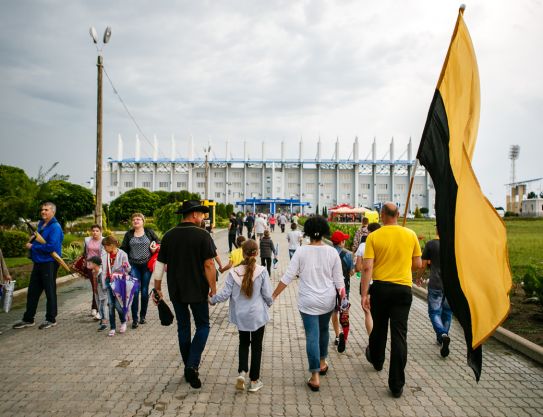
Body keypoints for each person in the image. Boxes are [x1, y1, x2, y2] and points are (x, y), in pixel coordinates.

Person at [272, 215, 344, 392]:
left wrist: (273, 295)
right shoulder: (332, 252)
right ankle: (322, 362)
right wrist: (344, 302)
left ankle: (315, 376)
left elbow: (288, 276)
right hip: (327, 301)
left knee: (312, 335)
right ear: (324, 232)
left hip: (308, 301)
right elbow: (339, 282)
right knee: (324, 330)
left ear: (308, 233)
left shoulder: (301, 251)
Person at [152, 200, 218, 389]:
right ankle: (192, 364)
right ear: (194, 214)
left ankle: (189, 365)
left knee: (183, 327)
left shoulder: (169, 235)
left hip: (176, 289)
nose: (204, 217)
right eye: (202, 214)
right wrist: (213, 289)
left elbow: (159, 265)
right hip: (197, 289)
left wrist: (157, 289)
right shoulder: (202, 235)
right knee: (203, 325)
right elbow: (209, 265)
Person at [361, 202, 421, 398]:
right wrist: (402, 266)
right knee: (399, 336)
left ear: (383, 215)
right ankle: (396, 385)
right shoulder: (410, 234)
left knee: (379, 328)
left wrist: (364, 294)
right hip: (403, 289)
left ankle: (377, 360)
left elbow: (367, 268)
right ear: (398, 214)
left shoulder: (374, 236)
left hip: (380, 288)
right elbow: (418, 263)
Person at [210, 240, 273, 392]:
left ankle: (242, 372)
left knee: (243, 343)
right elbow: (267, 295)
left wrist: (212, 300)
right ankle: (254, 381)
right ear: (257, 253)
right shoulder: (263, 271)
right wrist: (269, 303)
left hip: (241, 315)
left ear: (242, 253)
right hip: (257, 315)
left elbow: (225, 294)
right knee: (257, 347)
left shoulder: (233, 272)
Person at [13, 202, 64, 330]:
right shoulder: (42, 224)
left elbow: (51, 247)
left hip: (49, 262)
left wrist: (33, 246)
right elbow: (40, 239)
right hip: (39, 262)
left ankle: (51, 319)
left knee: (49, 291)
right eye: (42, 209)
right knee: (33, 292)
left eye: (46, 210)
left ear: (53, 212)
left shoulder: (55, 227)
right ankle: (28, 319)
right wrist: (33, 238)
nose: (43, 212)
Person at [415, 228, 452, 357]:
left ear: (436, 230)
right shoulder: (453, 243)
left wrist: (418, 277)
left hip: (436, 283)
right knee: (447, 312)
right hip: (451, 285)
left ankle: (442, 334)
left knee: (434, 312)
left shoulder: (431, 244)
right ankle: (442, 337)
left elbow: (423, 264)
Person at [120, 213, 160, 329]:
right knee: (135, 291)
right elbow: (123, 249)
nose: (136, 221)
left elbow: (159, 242)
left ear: (143, 221)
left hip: (147, 265)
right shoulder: (129, 234)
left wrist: (154, 246)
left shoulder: (149, 232)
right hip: (134, 266)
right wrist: (124, 262)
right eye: (134, 219)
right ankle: (135, 319)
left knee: (144, 290)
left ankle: (143, 316)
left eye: (138, 219)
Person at [354, 222, 381, 336]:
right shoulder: (384, 244)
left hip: (366, 283)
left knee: (368, 312)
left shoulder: (363, 246)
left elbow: (359, 267)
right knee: (379, 313)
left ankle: (372, 339)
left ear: (369, 232)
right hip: (381, 282)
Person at [330, 230, 354, 353]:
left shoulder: (328, 253)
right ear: (341, 243)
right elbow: (351, 271)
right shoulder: (347, 255)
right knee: (344, 314)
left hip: (331, 289)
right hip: (344, 289)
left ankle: (337, 335)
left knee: (334, 312)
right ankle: (344, 338)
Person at [102, 235, 131, 337]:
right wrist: (104, 283)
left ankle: (123, 321)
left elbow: (128, 269)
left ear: (112, 245)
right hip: (108, 281)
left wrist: (125, 266)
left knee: (119, 306)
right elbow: (104, 270)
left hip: (119, 282)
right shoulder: (105, 255)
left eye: (105, 246)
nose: (104, 248)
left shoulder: (122, 254)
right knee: (111, 305)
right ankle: (112, 327)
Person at [82, 224, 103, 320]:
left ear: (100, 232)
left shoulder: (103, 241)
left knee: (99, 287)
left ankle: (98, 309)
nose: (95, 232)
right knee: (94, 287)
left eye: (97, 231)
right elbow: (85, 253)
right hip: (90, 267)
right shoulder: (87, 240)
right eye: (93, 231)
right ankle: (95, 308)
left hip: (100, 267)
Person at [86, 255, 108, 332]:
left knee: (103, 308)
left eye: (90, 263)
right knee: (100, 308)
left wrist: (105, 293)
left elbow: (104, 285)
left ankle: (104, 324)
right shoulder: (93, 272)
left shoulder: (101, 273)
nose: (88, 265)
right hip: (97, 293)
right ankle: (103, 321)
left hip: (103, 294)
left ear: (95, 264)